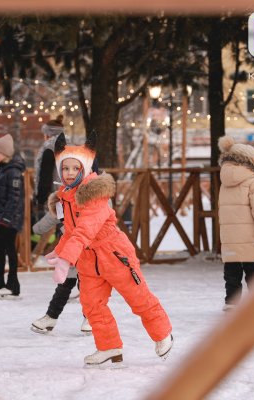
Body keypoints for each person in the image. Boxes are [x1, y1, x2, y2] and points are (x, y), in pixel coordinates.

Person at [45, 132, 173, 367]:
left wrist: (65, 260)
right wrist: (60, 249)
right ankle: (109, 347)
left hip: (114, 254)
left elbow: (85, 230)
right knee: (91, 304)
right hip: (88, 259)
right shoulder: (66, 197)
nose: (70, 173)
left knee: (137, 297)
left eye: (75, 168)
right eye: (66, 169)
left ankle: (163, 333)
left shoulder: (94, 197)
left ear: (84, 169)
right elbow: (72, 231)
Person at [218, 136, 254, 312]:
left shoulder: (224, 181)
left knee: (232, 269)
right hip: (249, 235)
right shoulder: (252, 181)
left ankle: (231, 302)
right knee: (253, 270)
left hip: (230, 236)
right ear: (248, 160)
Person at [0, 134, 25, 299]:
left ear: (4, 153)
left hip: (9, 220)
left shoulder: (13, 172)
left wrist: (6, 219)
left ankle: (13, 284)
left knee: (10, 251)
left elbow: (14, 199)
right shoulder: (0, 170)